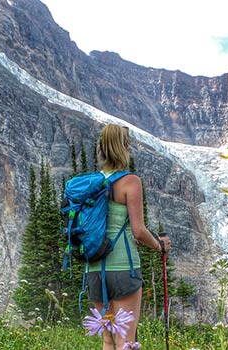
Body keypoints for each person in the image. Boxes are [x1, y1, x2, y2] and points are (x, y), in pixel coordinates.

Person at [86, 124, 172, 350]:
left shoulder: (90, 183)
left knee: (108, 339)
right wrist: (159, 246)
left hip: (94, 268)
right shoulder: (129, 181)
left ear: (102, 148)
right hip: (124, 268)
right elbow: (139, 231)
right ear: (124, 147)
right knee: (126, 340)